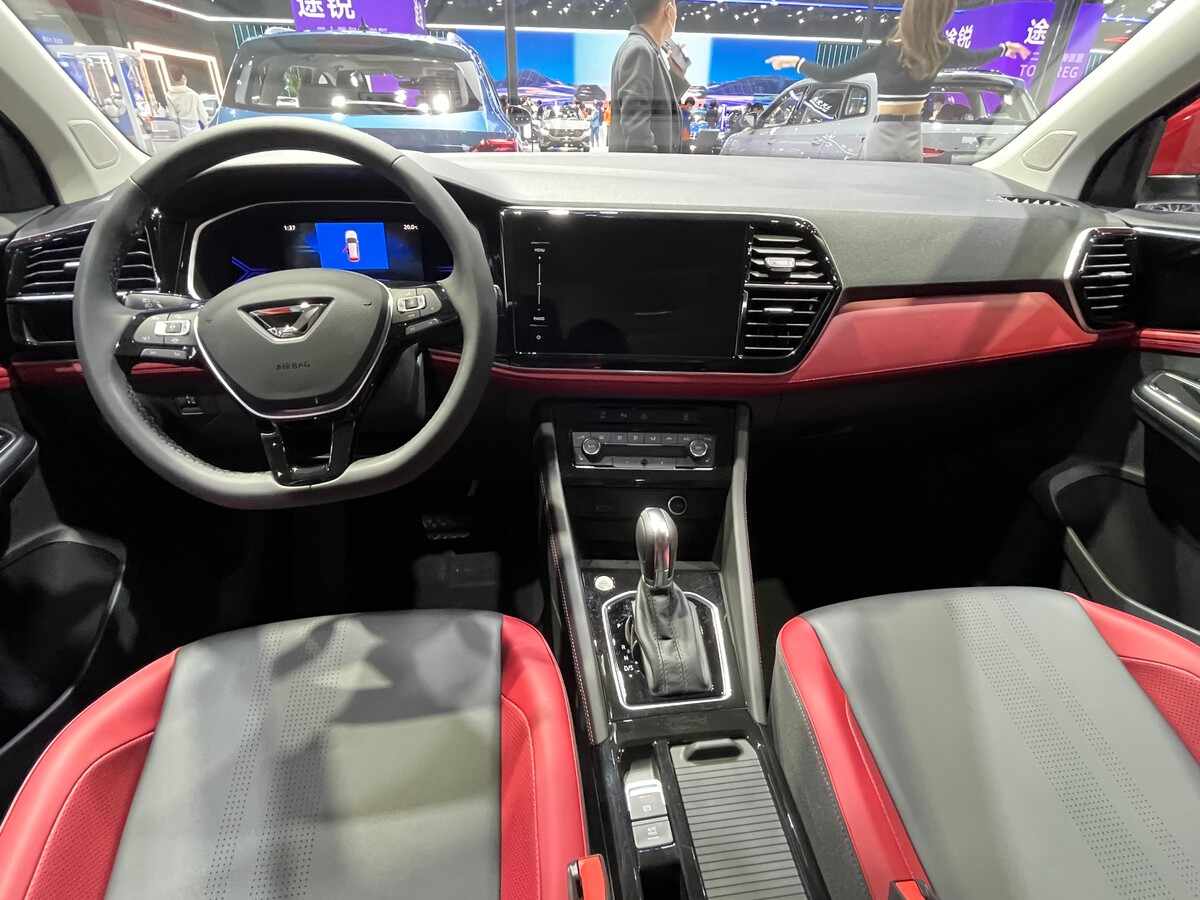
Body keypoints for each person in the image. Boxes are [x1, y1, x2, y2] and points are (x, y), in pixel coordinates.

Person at [765, 0, 1029, 162]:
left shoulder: (891, 51)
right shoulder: (937, 52)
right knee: (904, 200)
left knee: (877, 199)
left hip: (890, 134)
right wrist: (1005, 48)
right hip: (908, 135)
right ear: (940, 17)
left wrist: (796, 62)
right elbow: (976, 57)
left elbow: (831, 75)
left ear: (908, 13)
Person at [608, 0, 686, 153]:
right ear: (669, 9)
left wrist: (676, 76)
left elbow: (656, 109)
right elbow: (637, 135)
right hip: (649, 167)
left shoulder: (646, 48)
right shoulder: (640, 50)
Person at [164, 67, 205, 137]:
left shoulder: (169, 96)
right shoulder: (194, 95)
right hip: (195, 128)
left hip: (181, 129)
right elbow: (203, 115)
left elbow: (173, 116)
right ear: (183, 78)